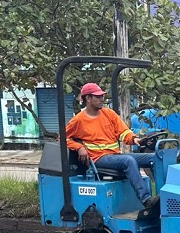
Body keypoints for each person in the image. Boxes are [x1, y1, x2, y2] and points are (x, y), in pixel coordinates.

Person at [65, 82, 157, 210]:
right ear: (88, 99)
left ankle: (162, 197)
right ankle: (146, 200)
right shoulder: (78, 120)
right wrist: (79, 147)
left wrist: (134, 139)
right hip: (98, 159)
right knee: (128, 160)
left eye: (102, 96)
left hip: (114, 156)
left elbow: (124, 132)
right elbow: (63, 138)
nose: (102, 99)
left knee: (155, 158)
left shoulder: (109, 114)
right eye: (98, 97)